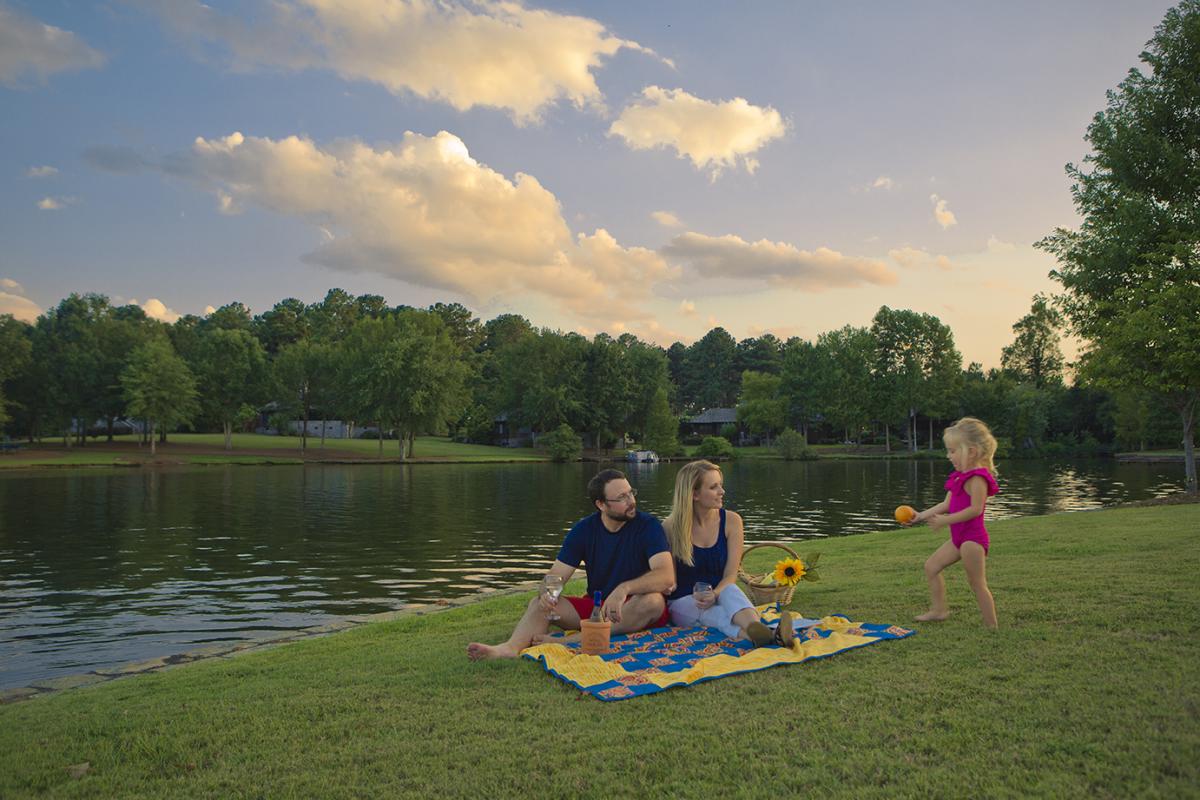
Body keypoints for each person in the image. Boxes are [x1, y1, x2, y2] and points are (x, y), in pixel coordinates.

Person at [467, 468, 675, 660]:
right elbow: (556, 575)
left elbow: (666, 576)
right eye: (622, 497)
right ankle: (509, 649)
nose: (631, 501)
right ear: (601, 504)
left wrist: (624, 589)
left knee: (653, 601)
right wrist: (548, 594)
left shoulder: (648, 526)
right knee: (538, 605)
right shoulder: (584, 530)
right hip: (597, 609)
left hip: (634, 608)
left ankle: (571, 641)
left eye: (631, 493)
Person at [663, 460, 793, 648]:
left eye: (720, 486)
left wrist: (715, 594)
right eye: (714, 487)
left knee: (731, 590)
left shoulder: (732, 521)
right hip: (684, 601)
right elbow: (670, 580)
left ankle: (756, 629)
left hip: (721, 592)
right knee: (715, 615)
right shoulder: (670, 527)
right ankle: (768, 635)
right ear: (694, 494)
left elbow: (731, 575)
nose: (722, 492)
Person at [906, 417, 1000, 628]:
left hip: (972, 541)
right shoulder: (959, 476)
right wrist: (920, 515)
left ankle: (992, 625)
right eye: (948, 451)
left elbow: (975, 509)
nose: (949, 456)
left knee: (976, 583)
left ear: (972, 451)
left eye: (953, 451)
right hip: (958, 539)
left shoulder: (978, 479)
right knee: (931, 566)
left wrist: (946, 521)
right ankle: (939, 610)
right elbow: (947, 503)